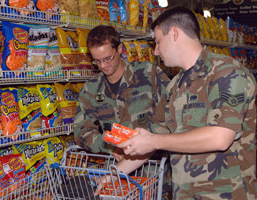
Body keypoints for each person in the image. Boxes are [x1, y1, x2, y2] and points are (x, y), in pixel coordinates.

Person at [116, 6, 257, 199]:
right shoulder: (174, 86)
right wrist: (112, 175)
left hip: (229, 193)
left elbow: (220, 137)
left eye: (157, 42)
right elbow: (154, 138)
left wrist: (154, 141)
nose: (155, 51)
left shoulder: (227, 72)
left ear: (174, 33)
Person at [73, 25, 172, 197]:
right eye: (97, 61)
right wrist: (110, 146)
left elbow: (172, 114)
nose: (103, 66)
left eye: (108, 59)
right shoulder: (91, 90)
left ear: (119, 49)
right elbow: (81, 131)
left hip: (153, 174)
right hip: (116, 176)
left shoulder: (149, 74)